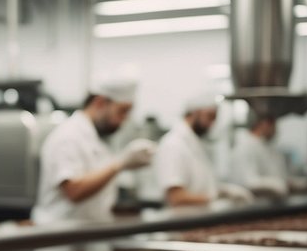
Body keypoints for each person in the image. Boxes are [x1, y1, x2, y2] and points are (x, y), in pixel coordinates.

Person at [30, 80, 156, 225]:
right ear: (100, 103)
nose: (124, 120)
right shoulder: (68, 136)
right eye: (122, 111)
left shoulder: (97, 138)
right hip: (62, 238)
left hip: (90, 237)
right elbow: (73, 191)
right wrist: (120, 164)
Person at [154, 92, 253, 207]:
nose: (212, 124)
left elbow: (199, 186)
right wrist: (215, 198)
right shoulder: (173, 144)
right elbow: (176, 197)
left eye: (214, 118)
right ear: (195, 113)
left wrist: (221, 191)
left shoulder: (194, 143)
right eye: (210, 116)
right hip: (184, 221)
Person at [230, 112, 290, 197]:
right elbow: (249, 182)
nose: (276, 130)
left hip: (271, 203)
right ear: (264, 124)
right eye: (274, 125)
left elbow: (277, 173)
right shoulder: (245, 146)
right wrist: (278, 184)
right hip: (254, 206)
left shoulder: (265, 145)